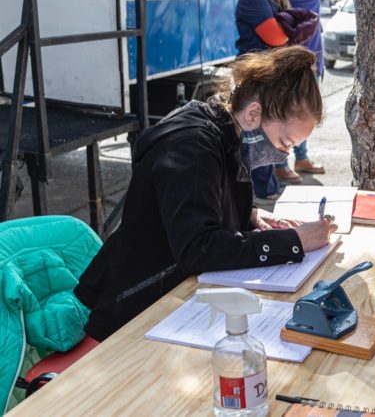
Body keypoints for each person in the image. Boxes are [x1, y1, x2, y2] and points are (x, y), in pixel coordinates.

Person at [74, 47, 337, 341]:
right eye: (284, 141)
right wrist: (294, 241)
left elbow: (198, 203)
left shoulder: (226, 132)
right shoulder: (192, 148)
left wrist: (247, 214)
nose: (282, 154)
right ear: (253, 114)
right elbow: (198, 247)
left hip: (173, 297)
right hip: (133, 309)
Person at [236, 0, 323, 200]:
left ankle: (268, 186)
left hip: (269, 75)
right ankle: (263, 189)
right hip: (257, 76)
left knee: (270, 134)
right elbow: (277, 37)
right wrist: (291, 31)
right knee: (259, 136)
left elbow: (287, 32)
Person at [275, 0, 327, 185]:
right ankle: (280, 164)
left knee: (306, 115)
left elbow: (317, 33)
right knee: (287, 116)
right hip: (293, 67)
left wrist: (320, 64)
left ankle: (302, 158)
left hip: (314, 65)